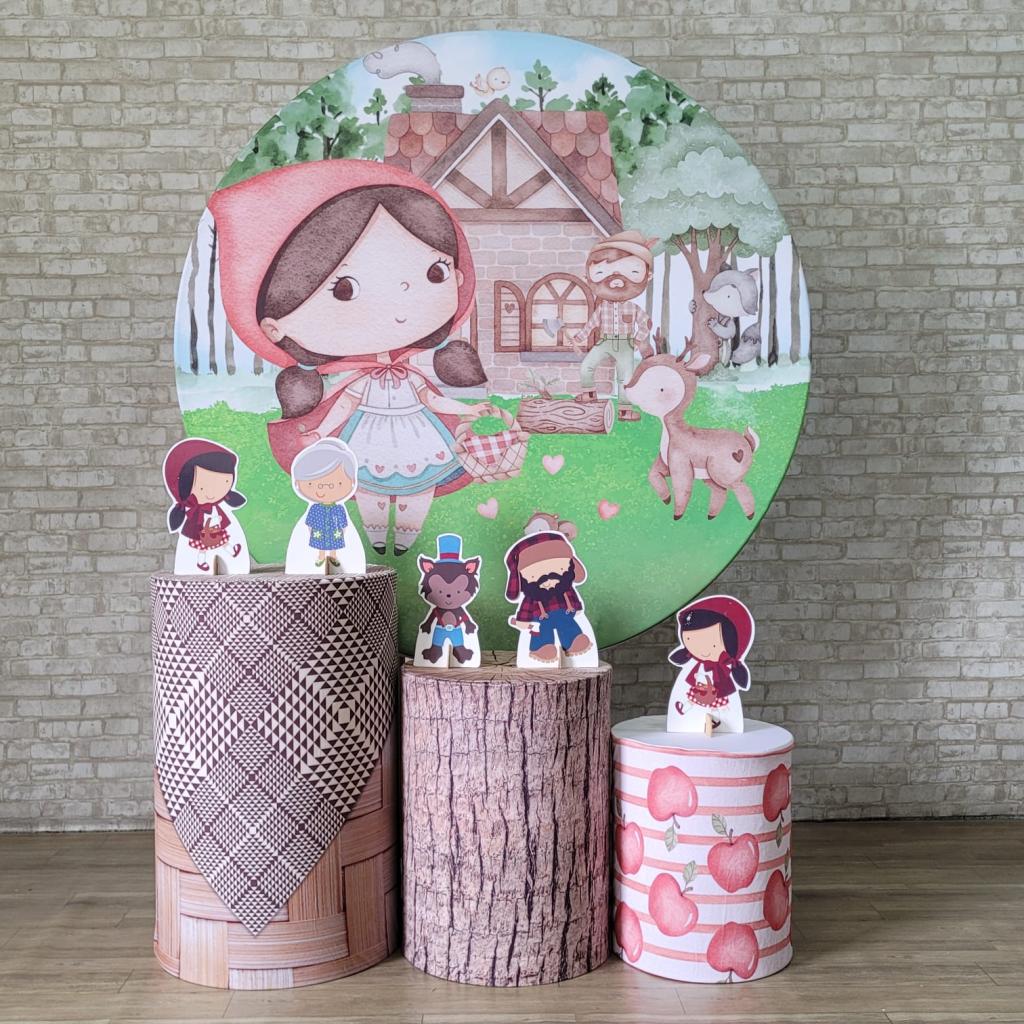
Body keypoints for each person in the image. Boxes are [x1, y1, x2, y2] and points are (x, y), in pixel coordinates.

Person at [210, 160, 490, 555]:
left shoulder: (412, 375)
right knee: (366, 483)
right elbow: (346, 403)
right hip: (370, 435)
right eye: (344, 289)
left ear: (458, 276)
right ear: (274, 326)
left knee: (420, 485)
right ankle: (375, 536)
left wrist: (466, 410)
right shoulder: (361, 380)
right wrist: (323, 433)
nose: (399, 305)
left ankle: (406, 537)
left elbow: (431, 399)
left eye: (435, 273)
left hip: (418, 434)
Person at [571, 230, 656, 422]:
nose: (616, 279)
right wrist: (578, 339)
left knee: (625, 377)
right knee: (587, 366)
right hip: (605, 342)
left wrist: (638, 340)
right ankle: (589, 394)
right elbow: (591, 325)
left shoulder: (633, 308)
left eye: (633, 272)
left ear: (648, 276)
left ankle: (625, 410)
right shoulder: (602, 308)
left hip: (625, 344)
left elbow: (645, 323)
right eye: (601, 272)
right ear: (588, 278)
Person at [667, 595, 754, 734]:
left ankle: (719, 719)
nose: (702, 649)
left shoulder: (725, 669)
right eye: (690, 640)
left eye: (713, 644)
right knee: (692, 698)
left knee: (719, 703)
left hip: (724, 716)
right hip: (686, 721)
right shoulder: (692, 664)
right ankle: (684, 709)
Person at [504, 531, 595, 665]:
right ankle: (541, 648)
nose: (549, 579)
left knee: (567, 624)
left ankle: (573, 641)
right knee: (542, 631)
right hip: (541, 619)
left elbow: (572, 597)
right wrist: (522, 620)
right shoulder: (532, 596)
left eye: (560, 569)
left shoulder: (565, 588)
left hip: (564, 613)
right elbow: (526, 607)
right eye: (535, 575)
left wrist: (577, 607)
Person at [163, 438, 249, 575]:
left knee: (224, 541)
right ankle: (201, 562)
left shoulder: (220, 507)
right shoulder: (193, 513)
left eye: (225, 482)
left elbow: (218, 517)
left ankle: (233, 551)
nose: (211, 492)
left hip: (216, 531)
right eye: (202, 488)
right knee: (202, 548)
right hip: (201, 534)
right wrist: (215, 520)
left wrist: (217, 520)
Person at [286, 438, 365, 573]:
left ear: (351, 481)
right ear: (298, 482)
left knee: (334, 544)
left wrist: (342, 532)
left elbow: (344, 523)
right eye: (311, 484)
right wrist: (311, 531)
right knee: (320, 544)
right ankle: (321, 556)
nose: (324, 489)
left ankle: (333, 556)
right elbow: (309, 523)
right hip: (319, 532)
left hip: (334, 532)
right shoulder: (315, 508)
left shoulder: (338, 508)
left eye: (337, 484)